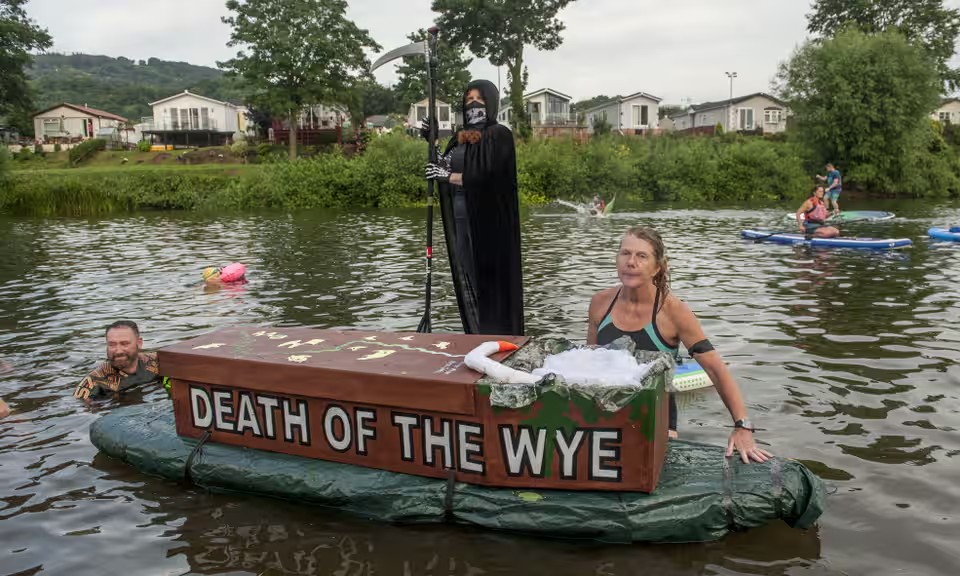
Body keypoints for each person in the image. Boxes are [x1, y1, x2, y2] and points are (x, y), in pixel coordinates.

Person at [587, 226, 771, 463]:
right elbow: (588, 364)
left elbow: (716, 369)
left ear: (657, 267)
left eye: (641, 256)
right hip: (605, 415)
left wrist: (743, 426)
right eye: (625, 253)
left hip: (657, 422)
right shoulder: (600, 304)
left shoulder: (674, 312)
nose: (631, 262)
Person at [422, 79, 524, 336]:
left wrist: (449, 177)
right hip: (461, 216)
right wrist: (432, 142)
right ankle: (476, 333)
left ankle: (499, 336)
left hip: (489, 220)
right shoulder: (460, 138)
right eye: (468, 100)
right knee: (467, 273)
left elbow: (488, 175)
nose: (474, 104)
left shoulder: (499, 134)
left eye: (480, 99)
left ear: (491, 103)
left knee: (489, 280)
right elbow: (444, 166)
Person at [73, 320, 165, 401]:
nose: (118, 351)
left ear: (139, 343)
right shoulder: (94, 382)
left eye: (124, 344)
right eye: (112, 344)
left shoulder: (158, 361)